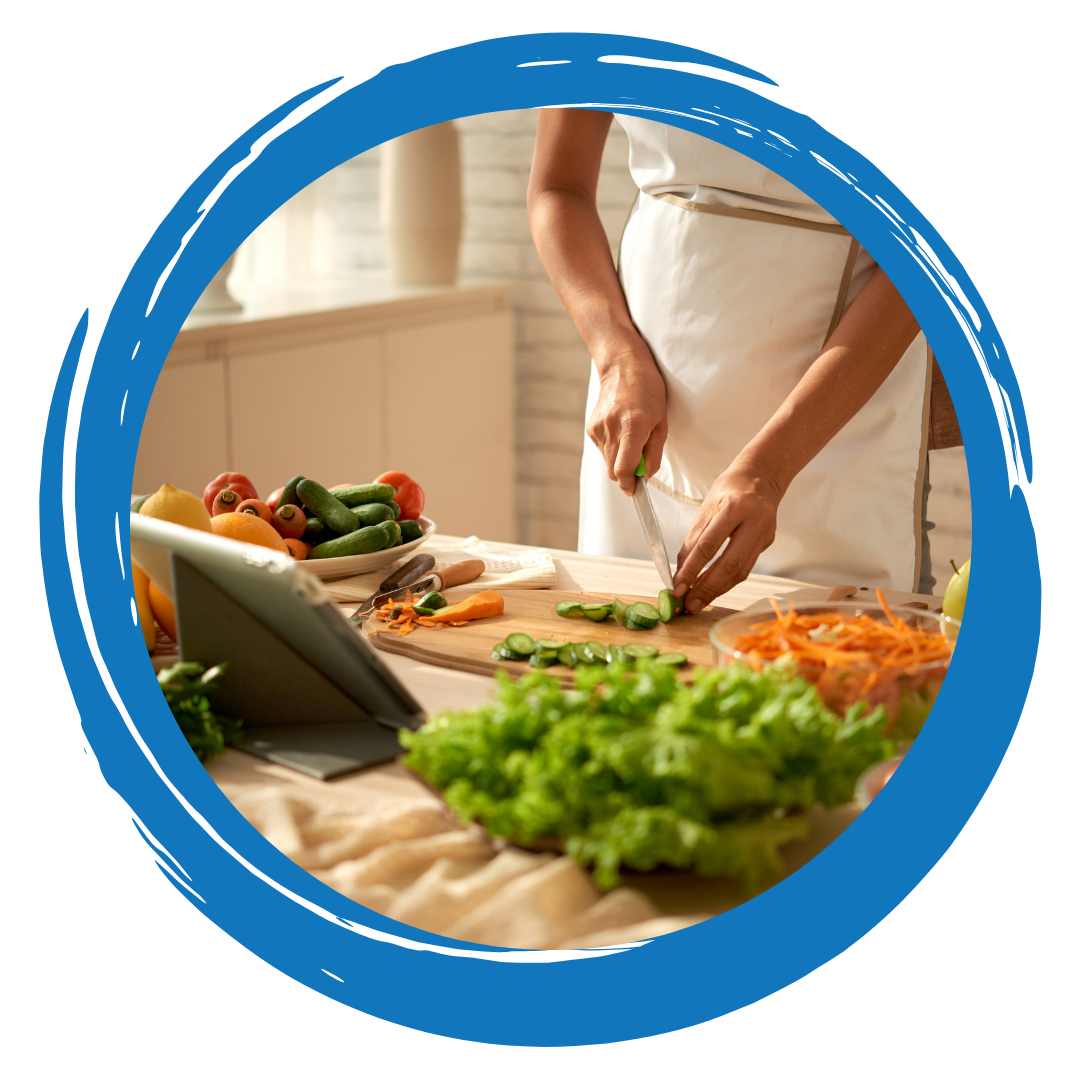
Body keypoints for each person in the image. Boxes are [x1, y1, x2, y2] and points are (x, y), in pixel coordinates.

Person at [527, 109, 934, 612]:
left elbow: (930, 252)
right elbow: (558, 187)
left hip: (840, 421)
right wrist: (616, 357)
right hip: (641, 391)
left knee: (842, 648)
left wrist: (770, 469)